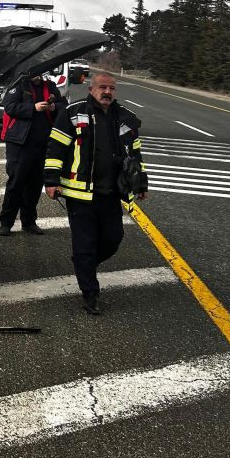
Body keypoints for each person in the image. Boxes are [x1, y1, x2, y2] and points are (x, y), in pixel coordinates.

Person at [44, 71, 148, 315]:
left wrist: (140, 184)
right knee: (85, 244)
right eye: (102, 87)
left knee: (113, 239)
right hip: (79, 194)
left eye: (112, 88)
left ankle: (84, 264)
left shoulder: (126, 118)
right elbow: (55, 147)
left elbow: (135, 155)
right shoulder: (72, 113)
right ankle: (90, 293)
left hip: (112, 193)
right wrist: (50, 180)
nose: (107, 92)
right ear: (91, 89)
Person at [0, 72, 63, 236]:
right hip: (20, 143)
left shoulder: (51, 86)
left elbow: (64, 106)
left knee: (35, 186)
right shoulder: (19, 85)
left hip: (43, 144)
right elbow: (9, 107)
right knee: (16, 183)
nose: (39, 76)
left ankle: (29, 222)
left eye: (41, 73)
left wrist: (54, 107)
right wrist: (33, 108)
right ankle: (6, 223)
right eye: (36, 72)